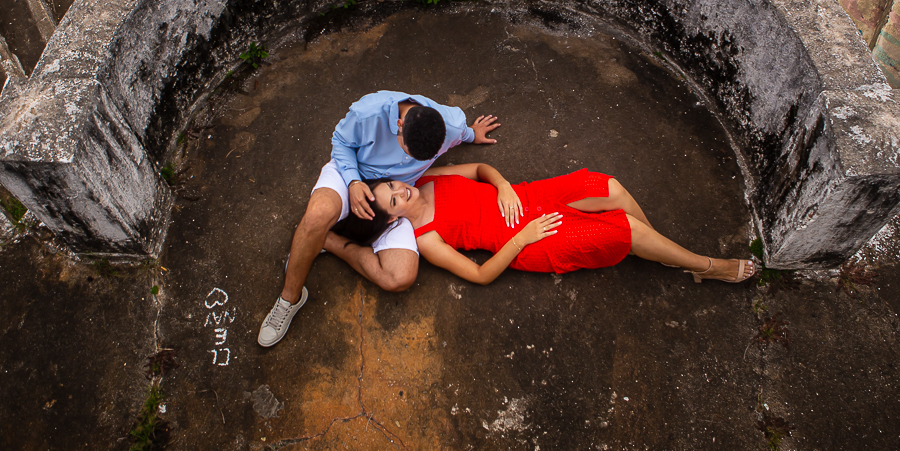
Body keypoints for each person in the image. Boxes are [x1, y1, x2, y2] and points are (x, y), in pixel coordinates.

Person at [258, 91, 500, 347]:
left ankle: (325, 240)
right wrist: (353, 181)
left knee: (400, 277)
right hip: (352, 173)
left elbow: (462, 133)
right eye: (408, 151)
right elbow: (340, 141)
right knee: (318, 214)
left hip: (397, 198)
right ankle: (290, 297)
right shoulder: (368, 112)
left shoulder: (450, 124)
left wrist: (472, 133)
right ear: (399, 125)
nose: (411, 160)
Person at [323, 162, 756, 286]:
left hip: (527, 197)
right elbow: (480, 275)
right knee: (627, 228)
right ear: (393, 218)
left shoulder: (429, 179)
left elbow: (480, 170)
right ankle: (704, 266)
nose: (402, 190)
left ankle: (661, 251)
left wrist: (503, 186)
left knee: (610, 187)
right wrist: (521, 238)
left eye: (394, 185)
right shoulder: (427, 238)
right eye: (394, 199)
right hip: (530, 240)